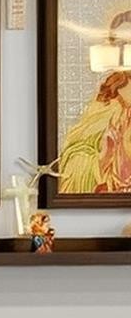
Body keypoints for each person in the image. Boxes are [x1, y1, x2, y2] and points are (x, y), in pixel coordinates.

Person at [58, 16, 131, 194]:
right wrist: (103, 157)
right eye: (120, 43)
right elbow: (77, 146)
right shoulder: (110, 94)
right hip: (110, 181)